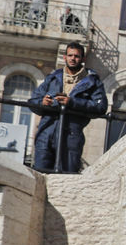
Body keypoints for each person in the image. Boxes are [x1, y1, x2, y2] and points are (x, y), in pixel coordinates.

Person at [28, 42, 107, 173]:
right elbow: (32, 101)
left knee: (66, 177)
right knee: (39, 175)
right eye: (70, 55)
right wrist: (42, 103)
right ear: (65, 57)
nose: (73, 59)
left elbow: (100, 107)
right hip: (46, 132)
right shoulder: (53, 77)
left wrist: (72, 102)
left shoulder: (92, 81)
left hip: (71, 136)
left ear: (83, 59)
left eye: (76, 56)